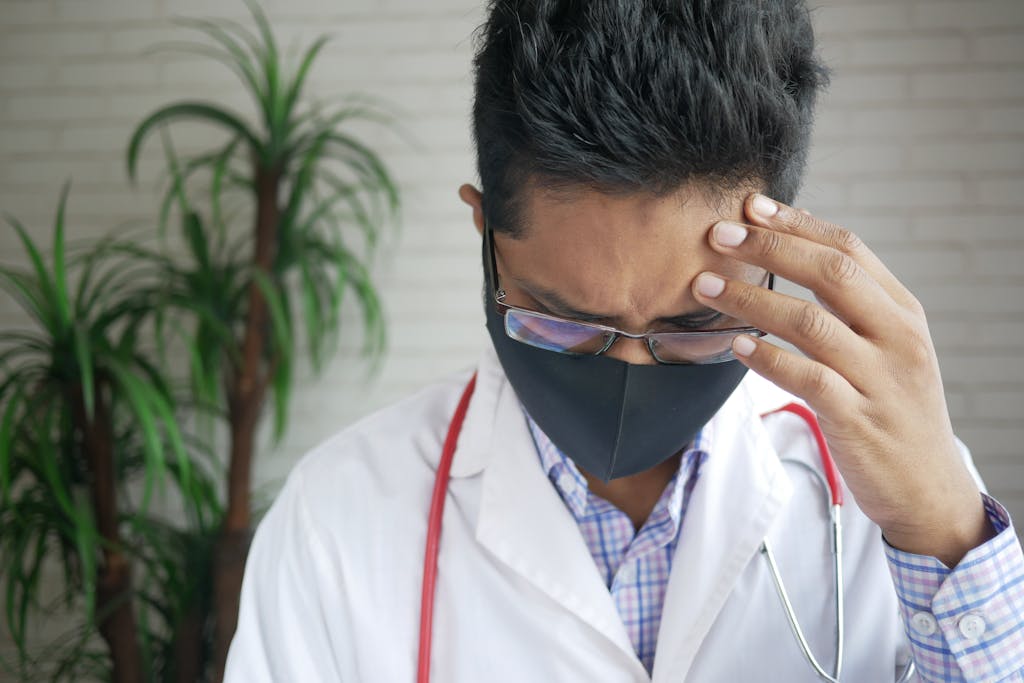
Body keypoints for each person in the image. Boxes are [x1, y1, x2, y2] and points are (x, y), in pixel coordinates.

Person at [224, 1, 1024, 681]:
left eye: (697, 323)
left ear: (779, 256)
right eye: (566, 320)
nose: (634, 371)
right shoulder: (334, 519)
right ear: (485, 228)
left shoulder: (904, 493)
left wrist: (948, 540)